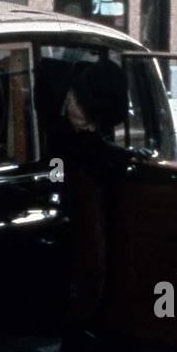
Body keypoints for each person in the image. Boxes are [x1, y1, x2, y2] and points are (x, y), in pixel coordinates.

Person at [35, 57, 130, 322]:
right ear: (75, 95)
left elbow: (88, 146)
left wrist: (123, 155)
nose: (88, 127)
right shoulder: (42, 90)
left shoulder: (77, 117)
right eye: (89, 118)